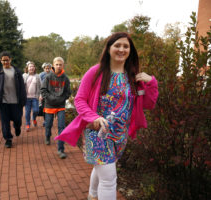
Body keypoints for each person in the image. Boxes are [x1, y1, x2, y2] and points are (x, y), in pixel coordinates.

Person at [55, 32, 158, 199]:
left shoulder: (133, 76)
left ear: (130, 50)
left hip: (120, 135)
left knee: (102, 168)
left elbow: (148, 104)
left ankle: (92, 195)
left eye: (126, 46)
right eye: (117, 45)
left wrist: (151, 83)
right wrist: (93, 117)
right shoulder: (95, 72)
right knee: (109, 179)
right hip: (97, 133)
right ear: (109, 48)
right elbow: (80, 100)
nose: (121, 49)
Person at [0, 51, 27, 148]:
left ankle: (17, 127)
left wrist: (23, 99)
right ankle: (8, 139)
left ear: (10, 60)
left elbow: (22, 87)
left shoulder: (17, 71)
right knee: (5, 121)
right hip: (4, 102)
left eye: (7, 60)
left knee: (17, 119)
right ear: (0, 61)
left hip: (16, 101)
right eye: (3, 60)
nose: (6, 62)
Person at [41, 57, 71, 159]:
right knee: (48, 124)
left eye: (60, 64)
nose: (58, 66)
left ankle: (61, 149)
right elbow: (43, 90)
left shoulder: (65, 78)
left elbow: (68, 92)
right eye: (57, 64)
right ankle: (47, 136)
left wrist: (62, 99)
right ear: (53, 65)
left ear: (63, 65)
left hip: (60, 106)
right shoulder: (48, 77)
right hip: (49, 105)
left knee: (61, 127)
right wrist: (51, 99)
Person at [22, 61, 41, 132]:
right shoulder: (24, 76)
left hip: (35, 97)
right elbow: (21, 86)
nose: (31, 68)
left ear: (34, 68)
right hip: (27, 98)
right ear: (27, 68)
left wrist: (40, 95)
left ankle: (34, 118)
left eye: (33, 66)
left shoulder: (37, 76)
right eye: (30, 66)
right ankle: (28, 124)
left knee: (36, 110)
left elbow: (40, 87)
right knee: (27, 112)